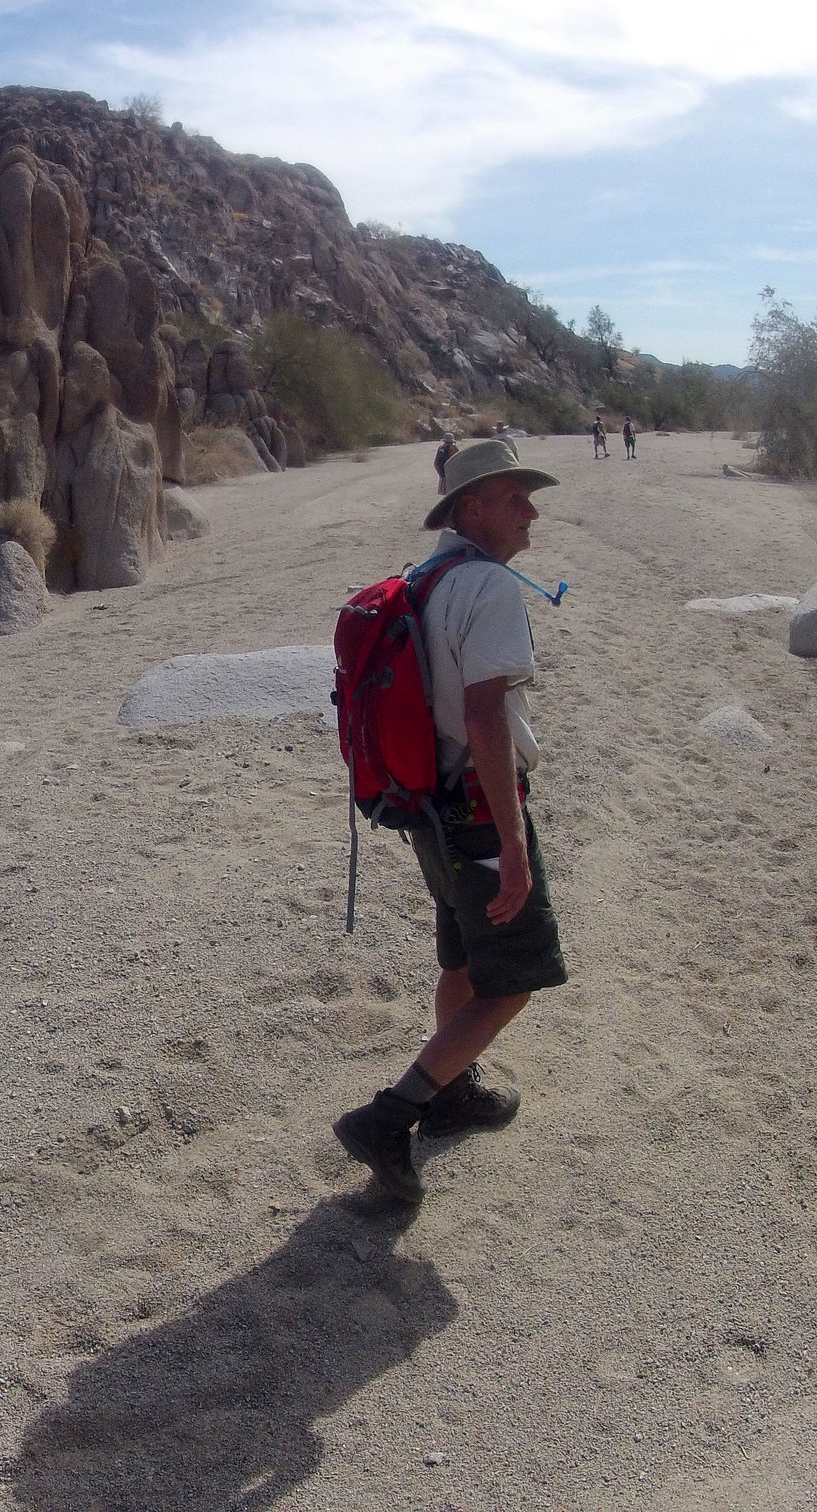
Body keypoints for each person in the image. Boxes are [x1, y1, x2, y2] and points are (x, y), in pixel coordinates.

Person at [333, 439, 569, 1202]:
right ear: (472, 508)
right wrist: (511, 840)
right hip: (474, 810)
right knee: (512, 983)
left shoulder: (425, 578)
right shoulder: (489, 588)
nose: (531, 509)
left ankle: (452, 1095)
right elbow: (484, 714)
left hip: (427, 804)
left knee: (463, 959)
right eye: (514, 497)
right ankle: (392, 1113)